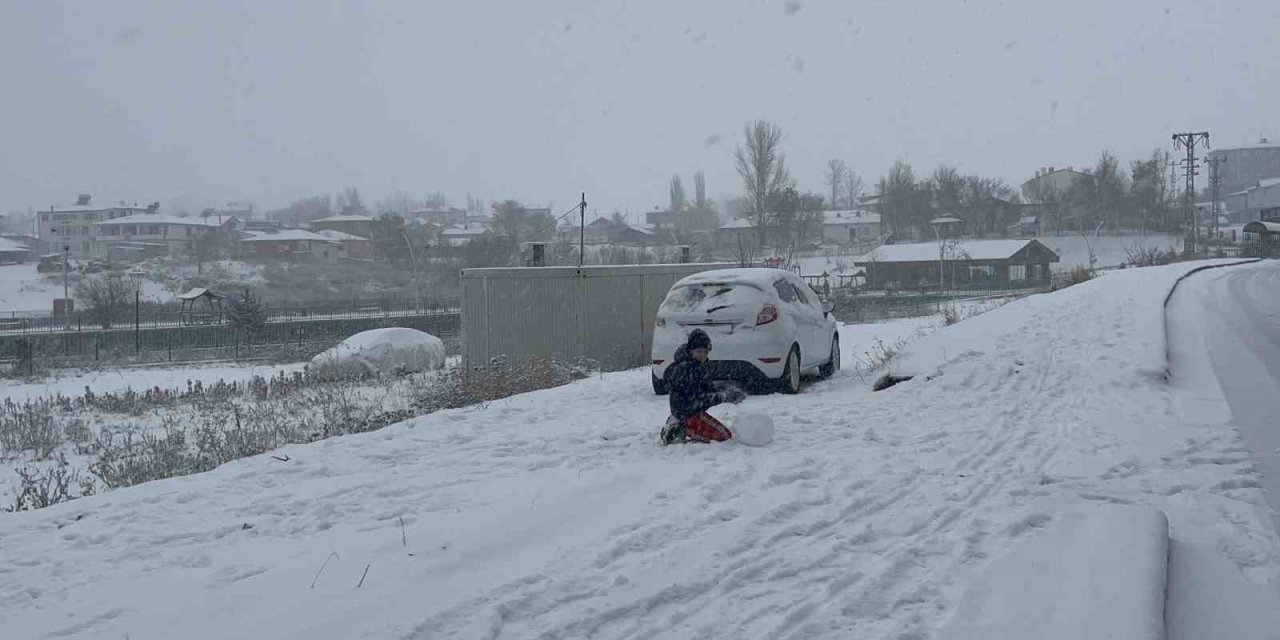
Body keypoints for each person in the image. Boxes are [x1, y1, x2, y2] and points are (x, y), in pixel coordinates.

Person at [660, 329, 745, 444]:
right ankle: (680, 429)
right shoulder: (686, 369)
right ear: (691, 351)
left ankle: (678, 422)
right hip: (689, 413)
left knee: (725, 434)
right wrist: (723, 397)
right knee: (724, 437)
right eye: (699, 351)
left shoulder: (697, 366)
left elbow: (707, 388)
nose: (703, 355)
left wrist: (725, 390)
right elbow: (700, 398)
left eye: (705, 352)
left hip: (692, 411)